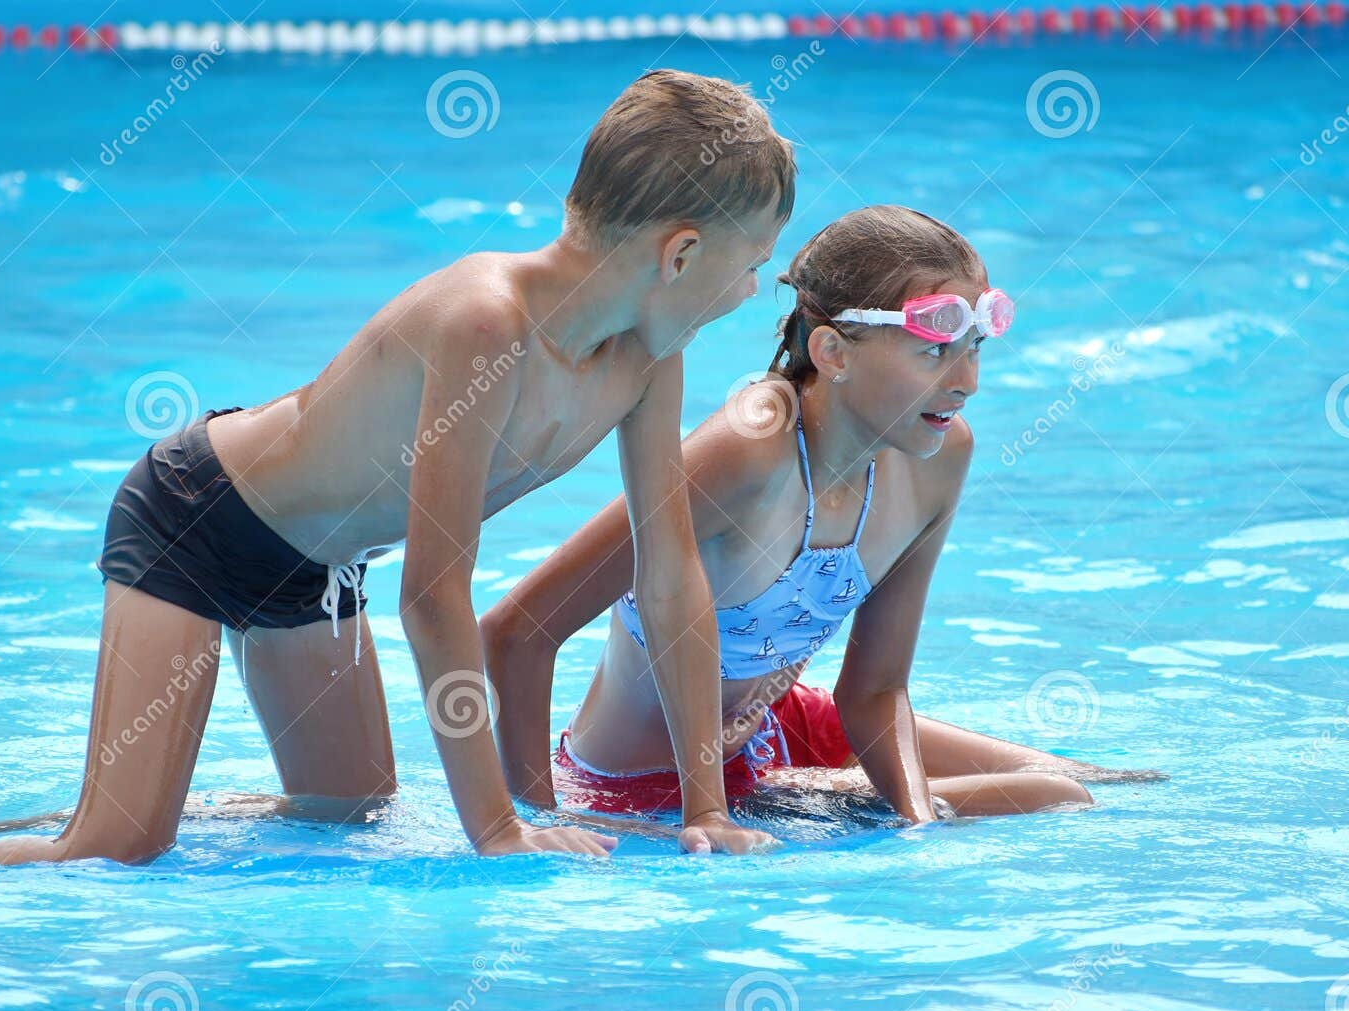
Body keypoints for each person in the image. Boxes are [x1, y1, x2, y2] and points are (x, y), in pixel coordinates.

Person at [0, 70, 795, 865]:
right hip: (197, 518)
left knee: (346, 813)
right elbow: (431, 595)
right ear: (679, 255)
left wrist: (705, 809)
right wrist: (497, 827)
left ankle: (141, 796)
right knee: (112, 848)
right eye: (753, 264)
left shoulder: (646, 359)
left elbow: (671, 573)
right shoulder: (486, 324)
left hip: (313, 566)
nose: (754, 290)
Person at [484, 206, 1158, 828]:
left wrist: (914, 815)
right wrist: (540, 822)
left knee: (1098, 778)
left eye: (975, 348)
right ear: (834, 353)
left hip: (779, 731)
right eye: (936, 351)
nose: (966, 382)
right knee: (1059, 799)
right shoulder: (746, 450)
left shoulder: (937, 456)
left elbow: (876, 691)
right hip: (650, 788)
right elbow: (516, 631)